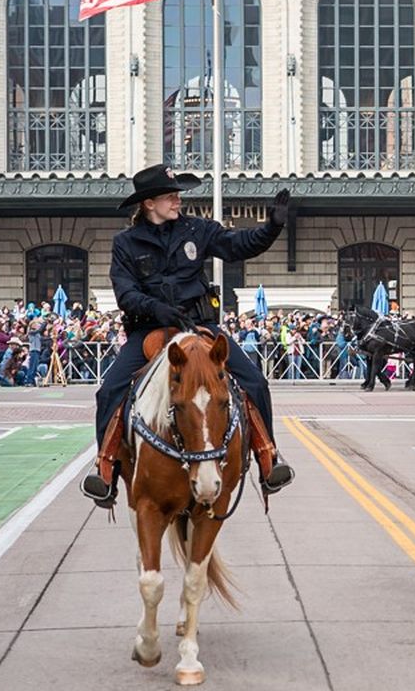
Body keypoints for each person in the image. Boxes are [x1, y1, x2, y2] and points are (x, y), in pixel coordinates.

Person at [80, 165, 294, 509]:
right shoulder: (126, 243)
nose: (178, 201)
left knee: (254, 381)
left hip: (198, 326)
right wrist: (154, 308)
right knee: (110, 390)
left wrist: (272, 227)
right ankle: (105, 468)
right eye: (170, 196)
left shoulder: (197, 229)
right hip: (150, 330)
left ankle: (269, 458)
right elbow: (125, 293)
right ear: (149, 203)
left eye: (177, 195)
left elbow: (238, 244)